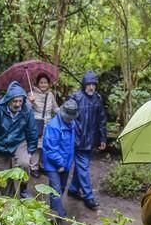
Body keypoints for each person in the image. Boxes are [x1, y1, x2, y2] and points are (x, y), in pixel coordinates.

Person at [0, 81, 39, 199]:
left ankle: (23, 188)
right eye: (15, 101)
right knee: (4, 179)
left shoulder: (26, 109)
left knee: (24, 163)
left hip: (18, 142)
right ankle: (10, 200)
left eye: (20, 101)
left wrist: (31, 150)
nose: (18, 104)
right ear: (8, 100)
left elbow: (32, 130)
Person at [67, 70, 107, 210]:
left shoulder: (97, 99)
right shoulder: (75, 98)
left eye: (93, 84)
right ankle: (88, 196)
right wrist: (75, 130)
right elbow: (67, 117)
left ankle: (73, 189)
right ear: (84, 85)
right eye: (89, 84)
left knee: (81, 166)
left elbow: (102, 119)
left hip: (91, 140)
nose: (91, 87)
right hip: (78, 140)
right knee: (83, 167)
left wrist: (102, 138)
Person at [42, 99, 79, 217]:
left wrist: (67, 163)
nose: (70, 119)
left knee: (62, 187)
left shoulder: (72, 123)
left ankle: (55, 208)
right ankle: (57, 215)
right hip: (54, 164)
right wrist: (61, 164)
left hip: (65, 162)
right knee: (55, 190)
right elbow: (51, 149)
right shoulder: (53, 126)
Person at [28, 73, 60, 178]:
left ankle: (42, 165)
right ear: (37, 83)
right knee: (36, 146)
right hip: (36, 122)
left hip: (48, 123)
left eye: (45, 82)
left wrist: (63, 113)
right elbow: (26, 109)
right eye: (41, 82)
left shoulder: (50, 95)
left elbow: (55, 108)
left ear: (48, 84)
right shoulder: (32, 94)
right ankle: (34, 167)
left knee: (45, 146)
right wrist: (30, 102)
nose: (43, 84)